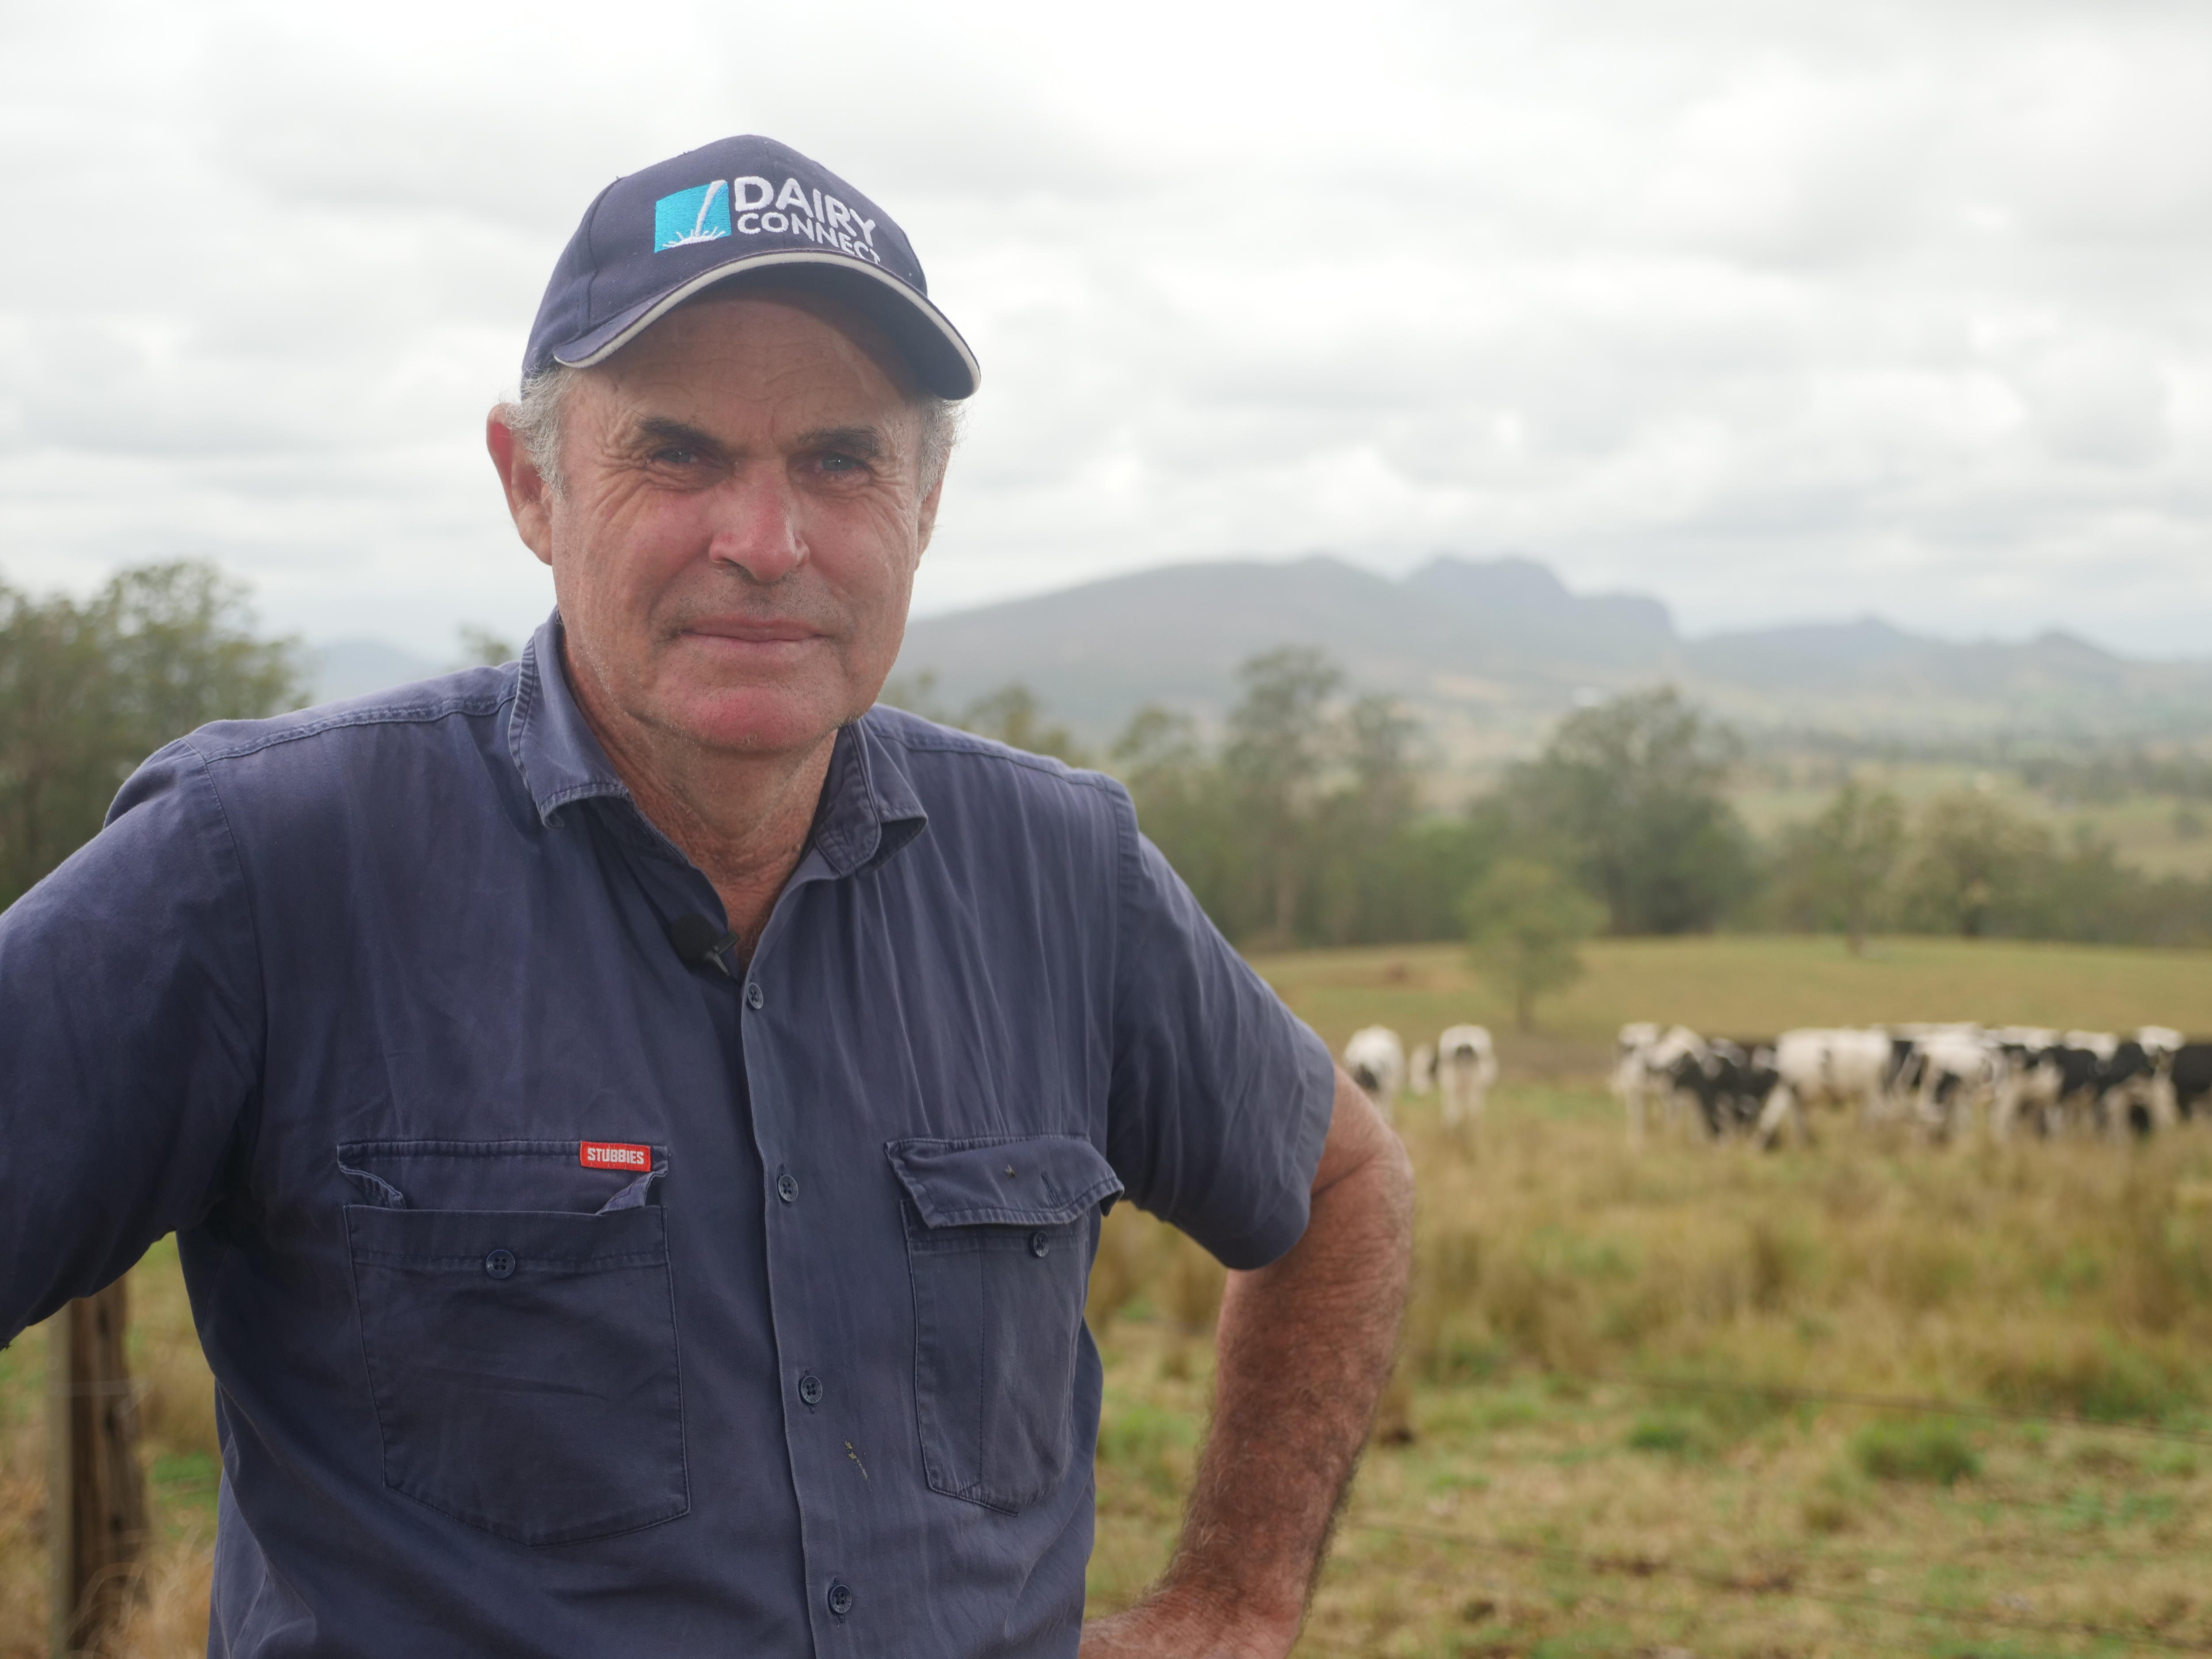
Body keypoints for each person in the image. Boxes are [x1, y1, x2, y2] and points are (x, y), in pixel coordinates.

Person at [0, 134, 1413, 1658]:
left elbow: (1340, 1186)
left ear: (927, 502)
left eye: (841, 460)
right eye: (677, 453)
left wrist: (1236, 1598)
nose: (765, 542)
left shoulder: (1061, 873)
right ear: (530, 484)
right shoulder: (261, 865)